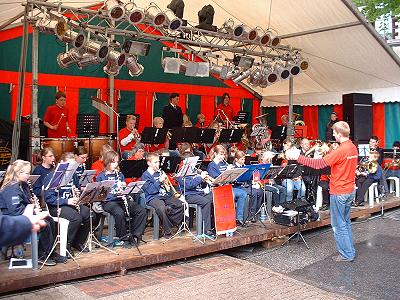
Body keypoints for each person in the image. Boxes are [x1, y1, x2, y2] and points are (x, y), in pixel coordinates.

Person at [285, 121, 358, 262]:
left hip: (339, 191)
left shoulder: (341, 150)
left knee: (338, 225)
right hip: (349, 190)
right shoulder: (352, 148)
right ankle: (350, 251)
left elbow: (318, 164)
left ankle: (347, 255)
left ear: (339, 134)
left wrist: (297, 157)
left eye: (334, 133)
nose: (333, 135)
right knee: (346, 222)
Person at [0, 160, 67, 265]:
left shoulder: (23, 185)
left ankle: (48, 251)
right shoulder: (11, 188)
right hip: (12, 218)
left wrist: (33, 205)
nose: (29, 175)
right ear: (18, 173)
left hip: (21, 214)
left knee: (49, 219)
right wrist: (33, 211)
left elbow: (25, 203)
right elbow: (15, 211)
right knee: (45, 224)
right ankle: (42, 254)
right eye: (27, 173)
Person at [44, 152, 90, 256]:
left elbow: (77, 188)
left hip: (71, 204)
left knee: (88, 214)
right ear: (61, 163)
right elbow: (49, 198)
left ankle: (78, 242)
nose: (71, 168)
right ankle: (67, 246)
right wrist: (66, 201)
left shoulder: (73, 175)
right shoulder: (52, 177)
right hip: (56, 206)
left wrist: (78, 194)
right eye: (69, 165)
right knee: (76, 218)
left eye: (73, 166)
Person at [96, 151, 147, 245]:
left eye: (117, 162)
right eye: (113, 162)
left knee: (141, 211)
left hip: (121, 200)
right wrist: (115, 194)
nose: (116, 164)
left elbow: (125, 189)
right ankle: (123, 236)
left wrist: (124, 189)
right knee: (119, 212)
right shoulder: (101, 176)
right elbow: (101, 196)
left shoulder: (120, 175)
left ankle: (135, 234)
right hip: (108, 202)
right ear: (107, 162)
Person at [141, 153, 184, 238]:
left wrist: (174, 194)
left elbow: (167, 187)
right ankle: (167, 231)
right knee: (162, 208)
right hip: (153, 197)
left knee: (180, 204)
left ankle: (166, 222)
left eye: (158, 161)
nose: (158, 164)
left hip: (164, 195)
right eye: (155, 162)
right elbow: (151, 191)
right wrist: (159, 181)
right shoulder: (145, 175)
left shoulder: (160, 172)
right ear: (149, 163)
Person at [207, 145, 248, 226]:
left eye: (223, 154)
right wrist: (227, 170)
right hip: (218, 189)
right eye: (220, 154)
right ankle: (228, 221)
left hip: (227, 187)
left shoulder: (224, 164)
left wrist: (233, 173)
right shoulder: (212, 165)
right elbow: (217, 180)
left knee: (243, 193)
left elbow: (230, 178)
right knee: (230, 195)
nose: (222, 156)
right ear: (215, 154)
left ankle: (238, 219)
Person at [175, 153, 214, 235]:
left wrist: (203, 181)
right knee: (206, 202)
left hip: (199, 193)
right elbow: (189, 185)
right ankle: (207, 229)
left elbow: (202, 186)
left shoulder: (195, 170)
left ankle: (215, 225)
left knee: (215, 197)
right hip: (188, 195)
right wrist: (200, 178)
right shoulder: (180, 174)